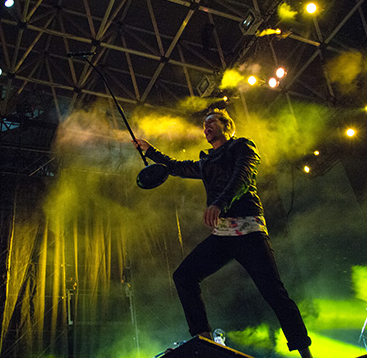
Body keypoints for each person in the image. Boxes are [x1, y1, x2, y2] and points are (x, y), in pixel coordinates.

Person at [133, 108, 313, 358]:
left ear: (227, 126)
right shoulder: (206, 162)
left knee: (274, 293)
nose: (205, 127)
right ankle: (205, 342)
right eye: (204, 124)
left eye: (211, 122)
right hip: (223, 234)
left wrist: (219, 203)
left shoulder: (243, 147)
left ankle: (305, 352)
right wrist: (150, 150)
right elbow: (174, 167)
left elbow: (242, 177)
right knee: (184, 276)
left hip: (248, 230)